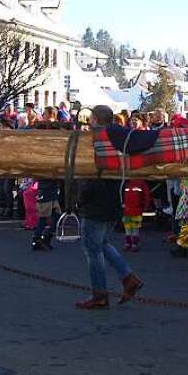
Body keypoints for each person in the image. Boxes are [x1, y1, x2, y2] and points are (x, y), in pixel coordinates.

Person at [75, 106, 144, 310]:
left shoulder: (97, 142)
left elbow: (93, 176)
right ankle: (128, 278)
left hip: (96, 202)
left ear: (95, 119)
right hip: (113, 199)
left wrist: (80, 199)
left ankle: (100, 293)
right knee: (102, 244)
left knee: (92, 249)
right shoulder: (119, 140)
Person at [121, 178, 151, 252]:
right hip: (134, 210)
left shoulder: (126, 183)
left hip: (129, 210)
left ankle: (130, 244)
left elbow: (122, 195)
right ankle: (133, 244)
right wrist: (146, 206)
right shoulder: (140, 183)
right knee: (133, 229)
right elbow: (146, 195)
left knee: (129, 229)